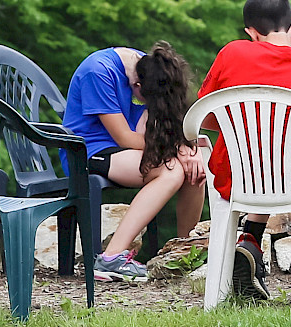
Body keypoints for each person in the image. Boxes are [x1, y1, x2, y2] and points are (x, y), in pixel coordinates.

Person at [196, 0, 291, 301]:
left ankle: (249, 240)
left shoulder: (232, 53)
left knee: (260, 148)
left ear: (251, 32)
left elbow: (205, 118)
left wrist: (243, 127)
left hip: (235, 177)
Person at [63, 41, 205, 282]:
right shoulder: (98, 72)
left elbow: (169, 119)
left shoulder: (149, 67)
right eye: (146, 99)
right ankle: (110, 257)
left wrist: (190, 149)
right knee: (170, 171)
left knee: (194, 168)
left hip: (132, 147)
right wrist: (177, 148)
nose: (147, 104)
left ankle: (185, 254)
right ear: (137, 85)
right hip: (90, 150)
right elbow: (124, 137)